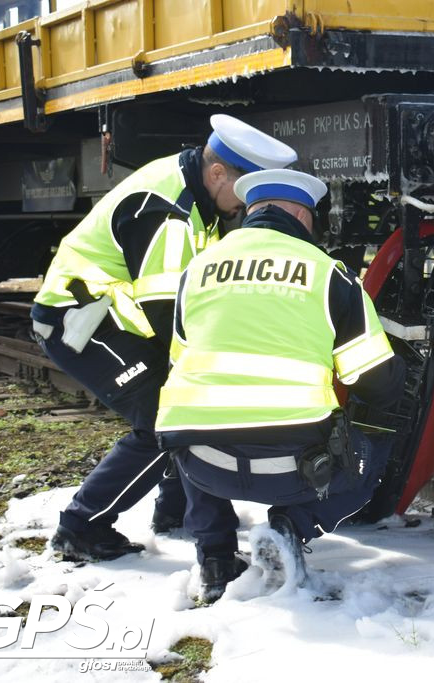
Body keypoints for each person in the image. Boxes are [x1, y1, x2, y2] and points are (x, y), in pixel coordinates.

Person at [31, 115, 297, 562]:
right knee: (164, 419)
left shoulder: (198, 195)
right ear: (218, 174)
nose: (250, 206)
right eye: (248, 192)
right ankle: (80, 527)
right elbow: (169, 315)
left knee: (177, 407)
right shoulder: (169, 212)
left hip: (113, 316)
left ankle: (172, 515)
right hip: (82, 319)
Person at [154, 168, 405, 602]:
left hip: (204, 467)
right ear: (301, 216)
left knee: (190, 424)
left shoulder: (196, 270)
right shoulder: (331, 275)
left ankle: (215, 560)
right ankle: (291, 527)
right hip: (297, 469)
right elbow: (375, 382)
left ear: (251, 212)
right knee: (375, 446)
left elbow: (180, 360)